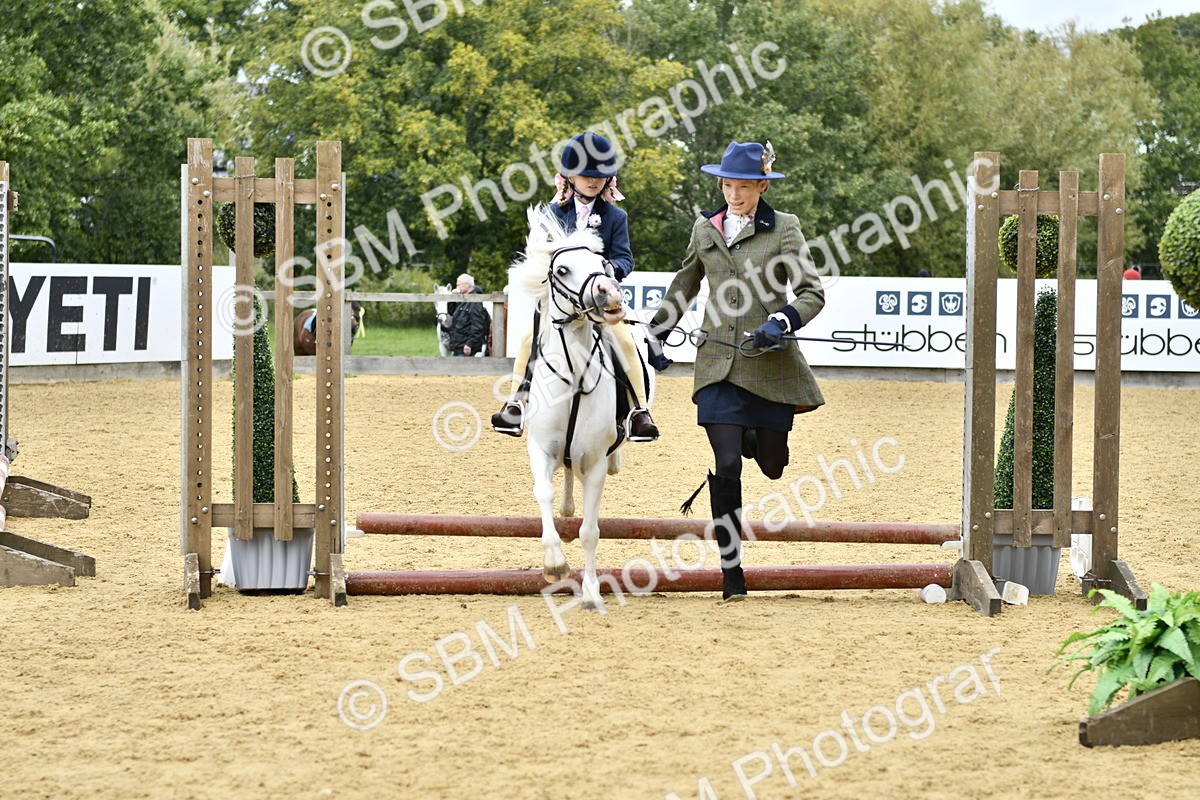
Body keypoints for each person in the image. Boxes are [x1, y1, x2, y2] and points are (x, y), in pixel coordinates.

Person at [648, 141, 825, 601]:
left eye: (744, 186)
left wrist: (781, 321)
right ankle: (732, 571)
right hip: (717, 364)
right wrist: (656, 333)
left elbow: (811, 292)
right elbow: (684, 284)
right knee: (726, 464)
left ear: (762, 186)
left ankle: (754, 437)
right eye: (727, 185)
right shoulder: (705, 230)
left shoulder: (785, 229)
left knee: (772, 468)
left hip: (769, 365)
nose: (734, 194)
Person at [492, 131, 658, 440]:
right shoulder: (550, 215)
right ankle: (516, 403)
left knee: (626, 340)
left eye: (599, 176)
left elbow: (625, 258)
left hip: (601, 300)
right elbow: (538, 259)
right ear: (570, 176)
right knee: (529, 339)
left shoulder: (615, 216)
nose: (593, 181)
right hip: (562, 302)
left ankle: (639, 410)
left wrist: (608, 274)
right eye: (586, 175)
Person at [439, 274, 490, 356]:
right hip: (458, 345)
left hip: (466, 347)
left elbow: (477, 326)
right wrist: (452, 297)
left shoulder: (475, 301)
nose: (457, 287)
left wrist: (469, 344)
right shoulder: (463, 299)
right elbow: (451, 311)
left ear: (467, 285)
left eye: (458, 284)